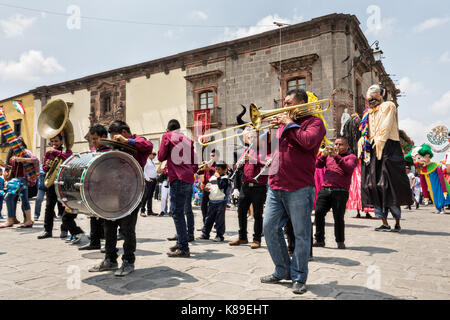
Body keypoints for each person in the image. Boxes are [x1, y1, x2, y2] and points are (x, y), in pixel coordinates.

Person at [260, 88, 326, 295]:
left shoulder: (315, 123)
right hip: (276, 183)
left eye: (288, 103)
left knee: (301, 235)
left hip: (299, 186)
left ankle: (298, 277)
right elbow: (264, 149)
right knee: (269, 228)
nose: (284, 106)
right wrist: (269, 133)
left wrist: (289, 123)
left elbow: (307, 142)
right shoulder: (281, 125)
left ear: (301, 103)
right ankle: (282, 270)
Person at [89, 120, 153, 276]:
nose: (113, 139)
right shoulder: (114, 146)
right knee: (109, 226)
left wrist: (126, 141)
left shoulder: (138, 142)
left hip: (133, 191)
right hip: (114, 191)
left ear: (124, 132)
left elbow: (149, 146)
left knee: (127, 228)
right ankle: (110, 259)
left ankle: (128, 261)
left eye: (114, 135)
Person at [358, 84, 412, 232]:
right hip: (372, 149)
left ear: (382, 94)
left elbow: (386, 125)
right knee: (373, 185)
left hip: (388, 147)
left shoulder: (388, 105)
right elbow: (365, 131)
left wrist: (380, 138)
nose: (370, 97)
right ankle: (383, 221)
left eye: (374, 93)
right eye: (369, 94)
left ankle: (397, 221)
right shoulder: (367, 113)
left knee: (390, 184)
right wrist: (363, 139)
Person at [158, 119, 197, 258]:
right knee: (182, 211)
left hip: (178, 178)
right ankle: (182, 241)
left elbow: (161, 156)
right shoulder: (187, 139)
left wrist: (165, 139)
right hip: (188, 179)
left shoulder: (167, 136)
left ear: (168, 129)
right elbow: (195, 162)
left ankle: (183, 248)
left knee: (176, 212)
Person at [313, 137, 357, 249]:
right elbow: (317, 165)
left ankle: (340, 241)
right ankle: (319, 240)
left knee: (338, 217)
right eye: (336, 144)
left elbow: (348, 168)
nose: (337, 146)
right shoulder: (328, 156)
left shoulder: (351, 157)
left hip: (340, 191)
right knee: (318, 213)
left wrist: (336, 157)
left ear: (347, 146)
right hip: (325, 189)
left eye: (340, 144)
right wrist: (323, 155)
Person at [229, 128, 268, 249]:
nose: (251, 140)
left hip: (258, 187)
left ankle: (257, 239)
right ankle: (242, 237)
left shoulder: (264, 151)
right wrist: (238, 165)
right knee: (241, 211)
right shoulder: (247, 150)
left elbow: (267, 164)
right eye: (250, 137)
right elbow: (237, 166)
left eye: (254, 137)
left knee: (257, 214)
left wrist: (252, 159)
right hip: (245, 186)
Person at [79, 124, 111, 251]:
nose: (93, 142)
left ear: (104, 137)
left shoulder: (110, 151)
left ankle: (108, 244)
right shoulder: (95, 152)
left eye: (95, 138)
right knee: (94, 216)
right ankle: (94, 241)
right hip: (95, 188)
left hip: (106, 190)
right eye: (91, 139)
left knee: (106, 218)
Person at [38, 134, 73, 239]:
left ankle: (64, 230)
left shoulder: (67, 151)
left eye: (56, 141)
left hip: (63, 183)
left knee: (63, 208)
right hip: (52, 183)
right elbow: (44, 168)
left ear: (62, 141)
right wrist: (47, 166)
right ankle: (47, 230)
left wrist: (56, 152)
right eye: (52, 141)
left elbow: (68, 159)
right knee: (49, 208)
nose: (54, 143)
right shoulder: (48, 153)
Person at [0, 140, 39, 229]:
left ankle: (10, 220)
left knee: (8, 197)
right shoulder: (13, 154)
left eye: (19, 144)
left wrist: (23, 159)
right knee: (24, 199)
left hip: (22, 179)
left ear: (22, 145)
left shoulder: (26, 152)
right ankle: (28, 220)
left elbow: (36, 160)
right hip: (18, 180)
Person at [405, 144, 450, 214]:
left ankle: (442, 208)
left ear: (427, 155)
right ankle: (438, 208)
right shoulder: (423, 170)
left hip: (439, 186)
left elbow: (442, 179)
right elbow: (423, 183)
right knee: (434, 196)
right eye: (414, 159)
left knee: (440, 195)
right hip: (432, 187)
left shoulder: (436, 166)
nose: (416, 161)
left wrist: (444, 191)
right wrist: (426, 196)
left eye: (418, 158)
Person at [198, 163, 229, 242]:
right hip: (212, 201)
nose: (217, 171)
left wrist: (218, 178)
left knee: (219, 220)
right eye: (216, 169)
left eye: (219, 169)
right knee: (208, 219)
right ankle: (205, 234)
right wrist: (206, 188)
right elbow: (209, 185)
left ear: (224, 170)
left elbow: (222, 186)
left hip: (221, 201)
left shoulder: (225, 178)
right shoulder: (212, 177)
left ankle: (219, 235)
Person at [200, 149, 219, 224]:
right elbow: (199, 171)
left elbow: (218, 172)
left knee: (214, 206)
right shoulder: (208, 164)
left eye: (213, 156)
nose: (212, 158)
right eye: (211, 156)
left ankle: (215, 224)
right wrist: (201, 166)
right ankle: (205, 223)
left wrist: (210, 168)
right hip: (206, 186)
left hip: (215, 187)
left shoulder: (219, 164)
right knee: (203, 206)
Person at [140, 151, 158, 217]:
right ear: (149, 154)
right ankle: (142, 211)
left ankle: (149, 211)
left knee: (150, 196)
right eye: (153, 154)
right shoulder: (146, 161)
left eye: (155, 154)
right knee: (146, 196)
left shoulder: (152, 162)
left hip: (153, 180)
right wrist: (147, 178)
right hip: (149, 180)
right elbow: (143, 170)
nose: (154, 156)